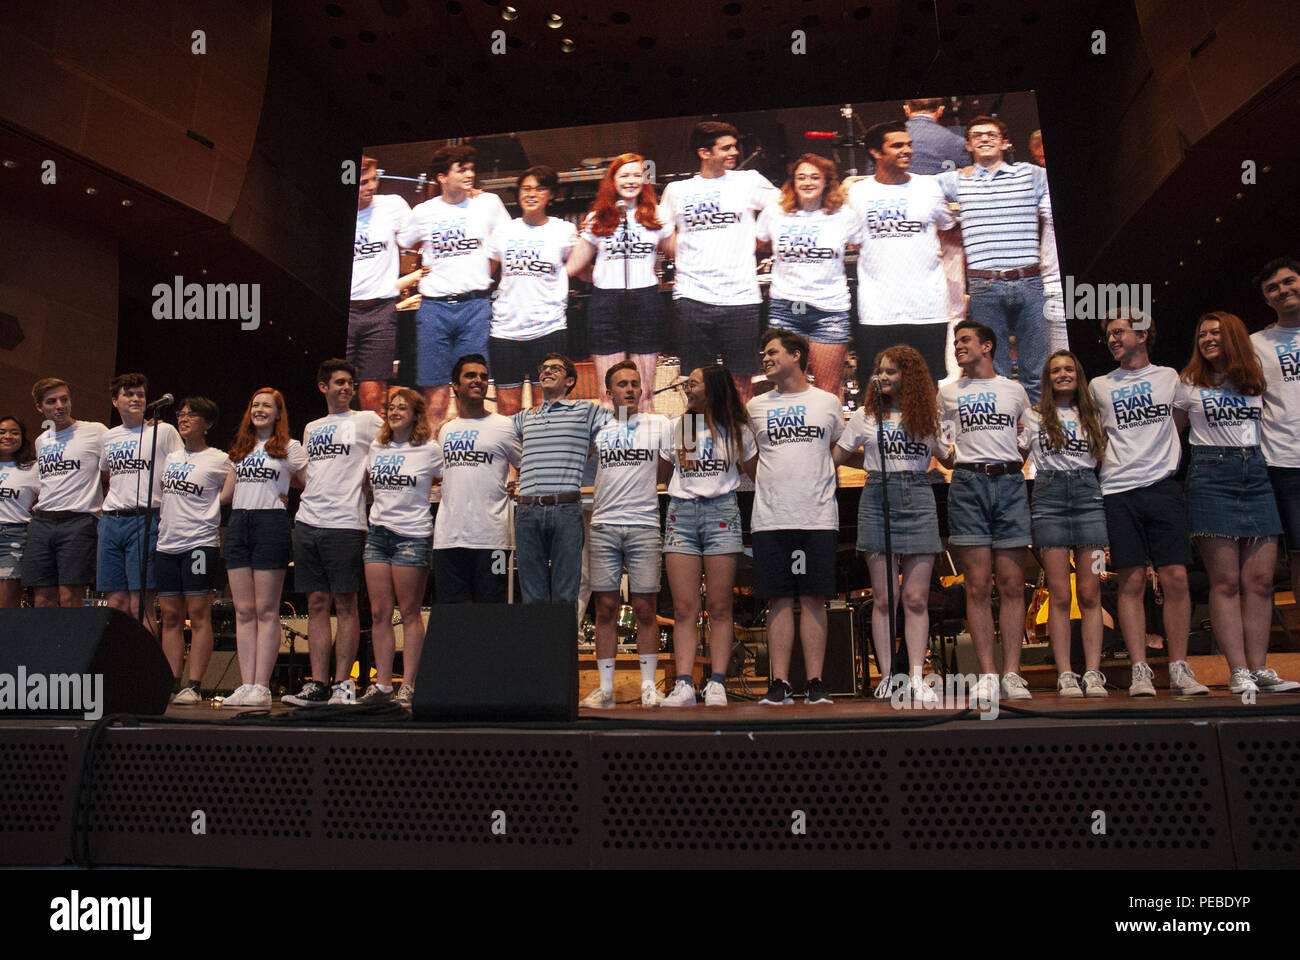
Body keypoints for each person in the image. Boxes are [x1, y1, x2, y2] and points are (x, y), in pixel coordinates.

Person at [1090, 311, 1209, 697]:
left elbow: (1179, 425)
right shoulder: (1098, 386)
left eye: (1119, 331)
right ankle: (1140, 668)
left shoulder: (1169, 377)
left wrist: (1160, 459)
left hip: (1162, 488)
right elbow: (1096, 437)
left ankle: (1179, 667)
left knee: (1175, 578)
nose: (1112, 339)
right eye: (1108, 334)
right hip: (1118, 491)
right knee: (1132, 581)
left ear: (1142, 335)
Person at [1177, 312, 1297, 694]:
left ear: (1232, 336)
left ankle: (1260, 667)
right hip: (1212, 475)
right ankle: (1238, 670)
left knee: (1259, 581)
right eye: (1202, 334)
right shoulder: (1188, 383)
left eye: (1215, 332)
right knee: (1226, 581)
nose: (1208, 339)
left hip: (1257, 472)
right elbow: (1168, 434)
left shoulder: (1254, 381)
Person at [833, 345, 945, 703]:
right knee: (884, 598)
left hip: (918, 494)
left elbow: (950, 455)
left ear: (908, 377)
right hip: (877, 494)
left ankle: (915, 675)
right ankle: (886, 676)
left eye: (891, 372)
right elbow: (837, 455)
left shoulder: (928, 415)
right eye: (880, 371)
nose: (882, 377)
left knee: (915, 598)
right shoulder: (867, 416)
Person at [745, 329, 844, 705]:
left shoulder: (828, 402)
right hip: (771, 519)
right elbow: (750, 460)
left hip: (817, 517)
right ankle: (780, 683)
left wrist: (814, 476)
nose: (765, 358)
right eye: (763, 353)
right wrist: (775, 484)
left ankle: (816, 682)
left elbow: (838, 449)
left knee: (815, 598)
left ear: (797, 355)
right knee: (779, 600)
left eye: (772, 352)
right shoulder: (755, 407)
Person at [937, 321, 1033, 701]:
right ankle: (988, 673)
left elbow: (1027, 437)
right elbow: (942, 447)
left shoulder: (1014, 390)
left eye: (965, 340)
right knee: (977, 586)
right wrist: (961, 464)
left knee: (1011, 583)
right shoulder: (949, 394)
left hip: (1009, 485)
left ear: (987, 346)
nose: (958, 347)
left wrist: (1011, 464)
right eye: (956, 341)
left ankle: (1012, 672)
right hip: (967, 486)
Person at [283, 359, 385, 706]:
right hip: (309, 520)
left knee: (346, 604)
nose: (346, 388)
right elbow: (309, 473)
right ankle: (317, 683)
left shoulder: (368, 420)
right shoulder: (312, 428)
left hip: (347, 522)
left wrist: (373, 480)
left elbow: (393, 447)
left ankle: (343, 683)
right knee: (315, 604)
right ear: (323, 386)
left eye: (350, 383)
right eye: (339, 383)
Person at [658, 120, 780, 402]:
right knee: (694, 380)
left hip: (741, 299)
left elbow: (786, 205)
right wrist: (689, 254)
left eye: (735, 146)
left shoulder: (748, 181)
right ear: (704, 152)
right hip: (692, 297)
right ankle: (690, 443)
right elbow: (664, 235)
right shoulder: (678, 190)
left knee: (741, 381)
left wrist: (758, 239)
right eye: (726, 147)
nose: (734, 152)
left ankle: (740, 443)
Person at [938, 116, 1053, 403]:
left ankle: (1038, 440)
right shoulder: (955, 181)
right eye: (977, 135)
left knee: (1036, 373)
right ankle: (1004, 436)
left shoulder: (1030, 175)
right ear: (968, 144)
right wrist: (854, 180)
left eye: (991, 134)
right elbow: (914, 188)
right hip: (984, 285)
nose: (985, 139)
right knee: (994, 373)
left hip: (1030, 282)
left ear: (1005, 142)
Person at [396, 144, 509, 434]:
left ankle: (470, 455)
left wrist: (483, 274)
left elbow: (506, 246)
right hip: (434, 309)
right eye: (462, 169)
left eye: (471, 168)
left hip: (475, 306)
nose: (470, 174)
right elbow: (403, 241)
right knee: (435, 395)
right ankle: (435, 462)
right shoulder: (424, 211)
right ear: (442, 177)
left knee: (472, 391)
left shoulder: (489, 204)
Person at [659, 365, 754, 707]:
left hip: (722, 513)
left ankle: (717, 682)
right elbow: (665, 473)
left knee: (719, 606)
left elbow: (756, 472)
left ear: (712, 388)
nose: (687, 387)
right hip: (681, 513)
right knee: (684, 608)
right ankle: (684, 684)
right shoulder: (682, 425)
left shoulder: (736, 429)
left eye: (693, 382)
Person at [579, 361, 672, 709]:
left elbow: (665, 470)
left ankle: (648, 686)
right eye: (622, 384)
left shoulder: (659, 423)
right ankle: (604, 690)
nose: (631, 389)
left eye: (635, 383)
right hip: (603, 524)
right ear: (609, 392)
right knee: (604, 608)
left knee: (645, 608)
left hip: (645, 524)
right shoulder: (598, 427)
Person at [1021, 351, 1110, 698]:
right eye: (1055, 370)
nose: (1062, 374)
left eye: (1068, 368)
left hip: (1089, 499)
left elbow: (1103, 458)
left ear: (1078, 374)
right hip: (1049, 499)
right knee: (1059, 593)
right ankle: (1066, 674)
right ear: (1047, 378)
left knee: (1090, 591)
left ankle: (1092, 672)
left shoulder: (1093, 414)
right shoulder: (1034, 416)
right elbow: (1018, 457)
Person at [847, 122, 958, 383]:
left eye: (909, 145)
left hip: (927, 307)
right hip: (878, 309)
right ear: (876, 152)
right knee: (879, 389)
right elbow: (853, 240)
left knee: (927, 387)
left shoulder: (929, 187)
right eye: (897, 145)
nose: (907, 150)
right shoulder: (858, 192)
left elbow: (949, 229)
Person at [220, 388, 307, 708]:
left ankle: (262, 685)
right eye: (255, 404)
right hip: (239, 523)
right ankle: (246, 684)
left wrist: (284, 493)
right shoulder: (240, 450)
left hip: (271, 523)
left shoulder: (289, 447)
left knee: (266, 609)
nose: (259, 409)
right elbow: (226, 495)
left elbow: (310, 483)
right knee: (243, 610)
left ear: (278, 413)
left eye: (266, 406)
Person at [567, 154, 673, 407]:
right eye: (624, 175)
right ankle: (611, 444)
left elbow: (680, 253)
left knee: (643, 392)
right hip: (606, 304)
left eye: (637, 175)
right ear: (612, 180)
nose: (631, 180)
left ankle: (643, 444)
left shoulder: (657, 215)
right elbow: (573, 266)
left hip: (646, 301)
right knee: (609, 392)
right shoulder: (597, 218)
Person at [755, 153, 858, 403]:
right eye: (801, 177)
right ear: (792, 182)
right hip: (786, 308)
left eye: (815, 177)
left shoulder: (844, 215)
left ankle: (829, 441)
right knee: (786, 384)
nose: (808, 182)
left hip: (829, 310)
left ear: (827, 182)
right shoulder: (774, 213)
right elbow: (758, 243)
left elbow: (862, 247)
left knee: (828, 389)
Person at [512, 353, 610, 607]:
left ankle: (562, 648)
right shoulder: (524, 417)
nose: (546, 371)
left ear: (569, 381)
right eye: (543, 368)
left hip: (566, 510)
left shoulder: (585, 410)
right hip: (527, 510)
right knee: (532, 598)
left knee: (566, 596)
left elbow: (619, 429)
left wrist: (591, 448)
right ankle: (536, 648)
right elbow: (497, 443)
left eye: (555, 368)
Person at [363, 387, 439, 705]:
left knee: (409, 612)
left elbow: (452, 480)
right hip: (377, 535)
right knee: (380, 613)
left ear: (416, 414)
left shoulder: (430, 450)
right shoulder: (377, 447)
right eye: (391, 407)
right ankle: (381, 684)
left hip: (412, 536)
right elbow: (367, 484)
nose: (394, 412)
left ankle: (408, 684)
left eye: (402, 408)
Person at [154, 398, 230, 704]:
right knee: (170, 616)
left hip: (199, 542)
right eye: (181, 414)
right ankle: (171, 683)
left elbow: (235, 489)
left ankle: (194, 685)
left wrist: (212, 508)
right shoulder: (170, 457)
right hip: (166, 543)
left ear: (208, 423)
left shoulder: (219, 459)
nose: (184, 419)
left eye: (192, 415)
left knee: (198, 614)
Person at [486, 165, 578, 416]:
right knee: (508, 411)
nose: (531, 193)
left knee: (549, 409)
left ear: (551, 195)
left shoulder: (564, 231)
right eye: (526, 188)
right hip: (505, 333)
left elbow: (581, 268)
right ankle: (515, 457)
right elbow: (485, 273)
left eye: (540, 188)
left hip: (548, 329)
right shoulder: (504, 231)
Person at [433, 354, 520, 603]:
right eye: (470, 375)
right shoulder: (446, 430)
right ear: (455, 386)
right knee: (455, 617)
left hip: (495, 540)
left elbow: (526, 467)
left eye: (483, 376)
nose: (478, 380)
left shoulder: (505, 426)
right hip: (449, 539)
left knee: (492, 613)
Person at [98, 373, 182, 630]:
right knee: (115, 604)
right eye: (129, 394)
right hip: (111, 521)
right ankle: (116, 667)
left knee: (140, 604)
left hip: (145, 519)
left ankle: (142, 668)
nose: (136, 398)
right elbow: (106, 473)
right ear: (115, 401)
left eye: (140, 394)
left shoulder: (164, 431)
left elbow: (183, 467)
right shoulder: (109, 437)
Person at [1251, 256, 1300, 689]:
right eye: (1274, 289)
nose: (1283, 291)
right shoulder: (1255, 344)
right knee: (1296, 560)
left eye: (1289, 282)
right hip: (1284, 461)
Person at [23, 378, 107, 607]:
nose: (60, 405)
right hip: (42, 523)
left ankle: (70, 644)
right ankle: (43, 644)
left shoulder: (95, 431)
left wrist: (144, 427)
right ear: (40, 407)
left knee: (70, 596)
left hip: (78, 522)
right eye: (51, 401)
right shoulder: (42, 441)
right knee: (41, 598)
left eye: (64, 399)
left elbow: (119, 455)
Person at [349, 156, 413, 414]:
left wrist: (470, 198)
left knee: (373, 396)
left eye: (375, 179)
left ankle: (375, 452)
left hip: (381, 312)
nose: (372, 186)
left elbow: (424, 233)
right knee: (336, 390)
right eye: (364, 182)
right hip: (346, 312)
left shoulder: (393, 206)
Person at [0, 417, 38, 608]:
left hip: (13, 537)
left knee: (6, 606)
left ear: (22, 438)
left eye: (14, 432)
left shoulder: (32, 468)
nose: (8, 436)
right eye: (2, 432)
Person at [901, 98, 970, 175]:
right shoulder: (956, 140)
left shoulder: (892, 138)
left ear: (906, 109)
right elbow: (967, 173)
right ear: (941, 110)